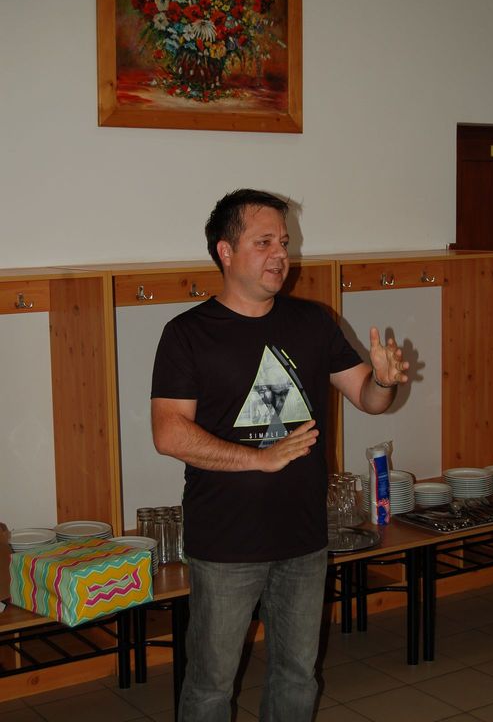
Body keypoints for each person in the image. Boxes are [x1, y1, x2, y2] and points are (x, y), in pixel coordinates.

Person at [151, 189, 409, 722]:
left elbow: (369, 398)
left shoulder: (314, 322)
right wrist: (259, 458)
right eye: (264, 242)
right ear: (225, 251)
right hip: (225, 543)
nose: (280, 255)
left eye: (284, 243)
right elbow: (169, 433)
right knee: (210, 687)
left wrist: (384, 381)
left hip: (304, 538)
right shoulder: (187, 334)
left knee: (296, 676)